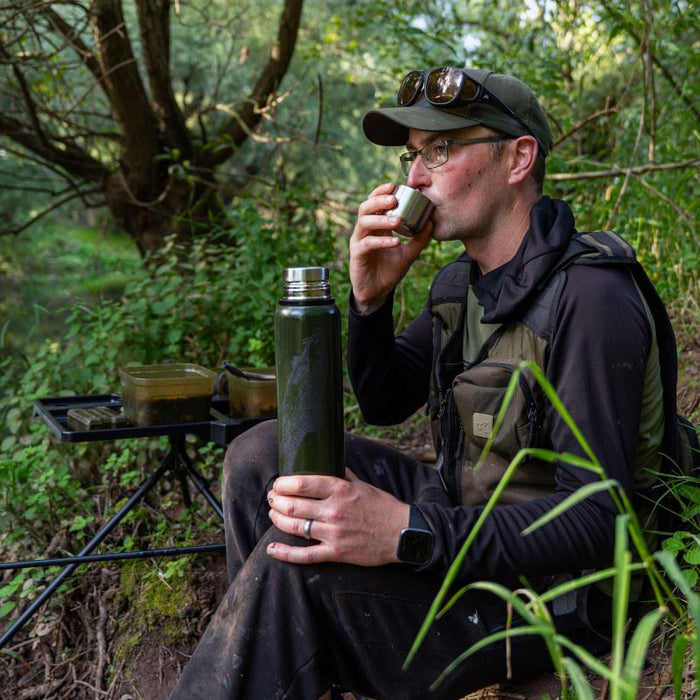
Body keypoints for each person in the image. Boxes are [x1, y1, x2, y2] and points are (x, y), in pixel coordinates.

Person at [169, 67, 676, 700]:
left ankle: (281, 645)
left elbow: (599, 520)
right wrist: (370, 300)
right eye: (412, 155)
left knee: (297, 571)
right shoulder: (459, 285)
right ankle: (286, 666)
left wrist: (406, 532)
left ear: (518, 159)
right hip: (463, 522)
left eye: (439, 150)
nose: (414, 178)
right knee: (259, 456)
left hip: (555, 590)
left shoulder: (592, 298)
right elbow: (384, 402)